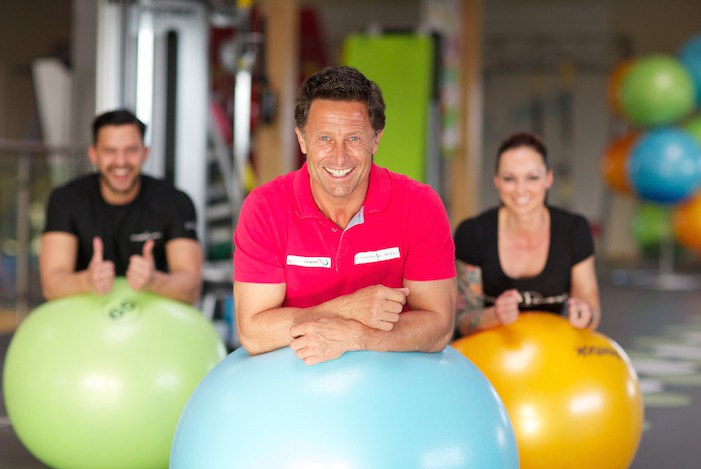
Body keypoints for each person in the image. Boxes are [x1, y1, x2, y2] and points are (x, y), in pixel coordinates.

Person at [233, 65, 456, 366]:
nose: (339, 157)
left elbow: (438, 328)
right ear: (302, 140)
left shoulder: (420, 205)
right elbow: (253, 333)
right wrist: (348, 308)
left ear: (376, 139)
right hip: (287, 396)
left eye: (354, 139)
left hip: (396, 395)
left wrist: (355, 336)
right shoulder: (265, 208)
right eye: (324, 138)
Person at [39, 108, 203, 304]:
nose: (121, 161)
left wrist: (154, 281)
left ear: (145, 152)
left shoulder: (175, 202)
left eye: (131, 150)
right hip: (81, 324)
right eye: (110, 151)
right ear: (94, 154)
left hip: (155, 325)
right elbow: (51, 285)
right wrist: (86, 281)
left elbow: (192, 287)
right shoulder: (65, 199)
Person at [453, 131, 600, 336]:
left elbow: (591, 307)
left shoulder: (574, 229)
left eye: (532, 177)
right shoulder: (473, 232)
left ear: (548, 178)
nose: (521, 190)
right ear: (497, 181)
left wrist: (585, 315)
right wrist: (495, 315)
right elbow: (461, 320)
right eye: (509, 178)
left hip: (549, 354)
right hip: (486, 355)